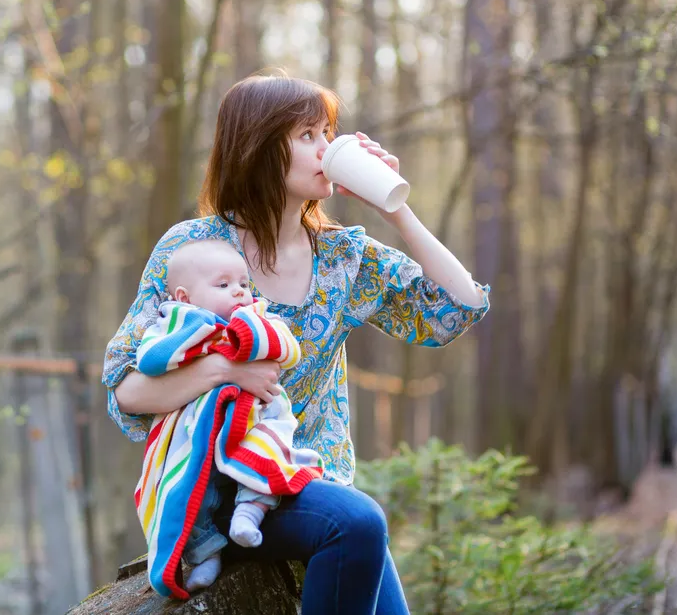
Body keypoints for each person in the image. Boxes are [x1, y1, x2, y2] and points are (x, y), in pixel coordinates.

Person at [103, 72, 490, 614]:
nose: (326, 148)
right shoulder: (193, 249)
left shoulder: (342, 257)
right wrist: (226, 371)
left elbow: (456, 311)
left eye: (328, 133)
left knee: (356, 525)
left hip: (314, 484)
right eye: (308, 135)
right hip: (223, 487)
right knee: (357, 522)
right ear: (259, 149)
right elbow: (125, 390)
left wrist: (394, 206)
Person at [136, 238, 323, 594]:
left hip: (255, 420)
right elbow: (151, 360)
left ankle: (249, 513)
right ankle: (206, 553)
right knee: (192, 492)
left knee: (266, 456)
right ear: (184, 297)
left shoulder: (255, 318)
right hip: (198, 433)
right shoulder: (174, 325)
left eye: (243, 283)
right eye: (223, 285)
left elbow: (288, 349)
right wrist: (201, 332)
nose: (238, 292)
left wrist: (243, 333)